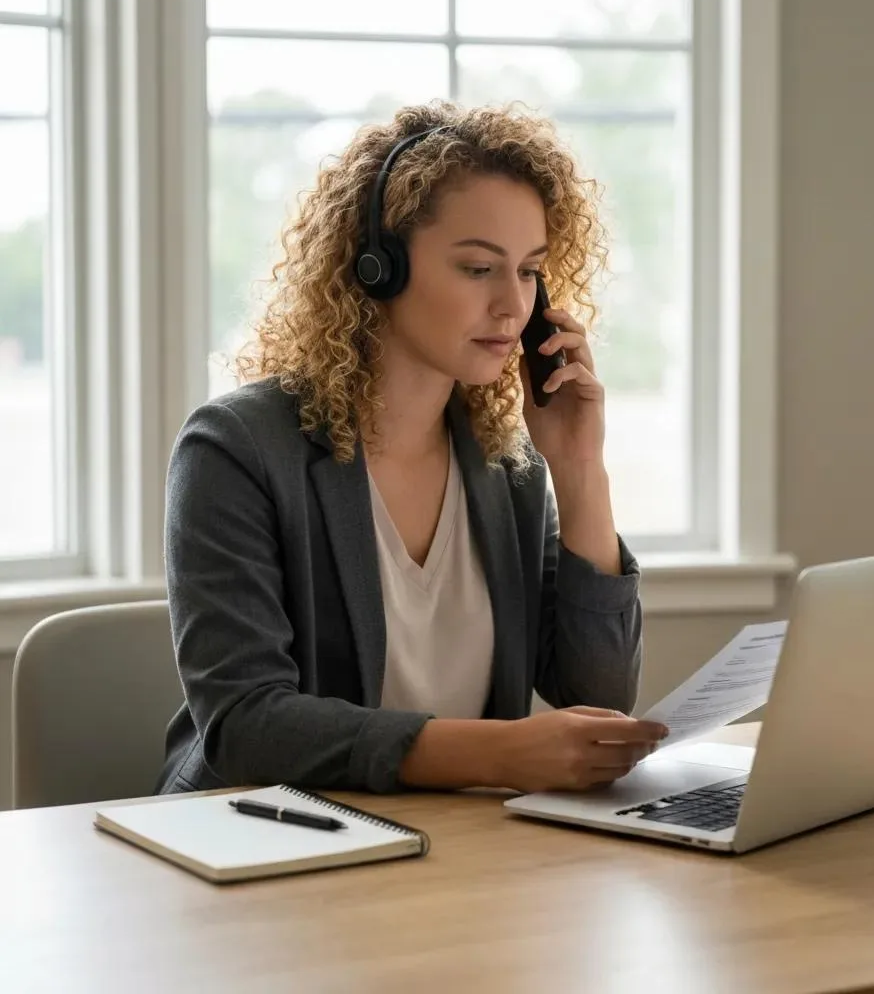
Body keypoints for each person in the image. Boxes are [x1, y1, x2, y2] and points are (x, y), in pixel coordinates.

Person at [155, 100, 666, 798]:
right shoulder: (235, 450)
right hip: (264, 847)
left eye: (528, 271)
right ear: (379, 269)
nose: (514, 307)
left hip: (452, 853)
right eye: (479, 269)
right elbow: (246, 724)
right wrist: (502, 753)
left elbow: (598, 690)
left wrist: (579, 469)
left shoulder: (504, 464)